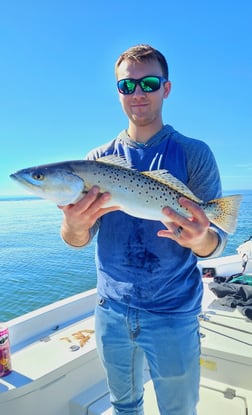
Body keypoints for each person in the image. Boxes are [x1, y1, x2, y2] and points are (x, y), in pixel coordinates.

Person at [60, 44, 227, 415]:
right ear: (117, 91)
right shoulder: (96, 161)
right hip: (111, 309)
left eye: (149, 83)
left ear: (166, 88)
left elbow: (215, 244)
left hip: (173, 311)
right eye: (127, 85)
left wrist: (201, 238)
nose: (138, 93)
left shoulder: (193, 153)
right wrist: (73, 225)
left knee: (179, 410)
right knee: (123, 406)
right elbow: (77, 240)